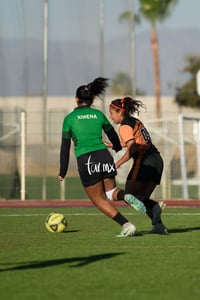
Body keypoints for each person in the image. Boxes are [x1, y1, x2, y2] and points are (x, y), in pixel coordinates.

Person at [57, 78, 146, 237]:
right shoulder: (98, 114)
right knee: (111, 192)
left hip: (87, 160)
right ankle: (126, 196)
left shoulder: (69, 119)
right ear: (91, 99)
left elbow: (65, 147)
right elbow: (111, 133)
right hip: (104, 156)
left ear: (77, 99)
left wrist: (62, 171)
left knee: (98, 199)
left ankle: (126, 225)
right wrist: (118, 147)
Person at [109, 96, 168, 234]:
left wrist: (118, 163)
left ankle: (154, 206)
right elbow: (130, 142)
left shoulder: (124, 126)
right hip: (157, 160)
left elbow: (133, 147)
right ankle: (159, 226)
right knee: (142, 198)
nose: (111, 117)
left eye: (112, 113)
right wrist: (112, 145)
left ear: (119, 112)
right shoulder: (135, 121)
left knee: (129, 195)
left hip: (145, 162)